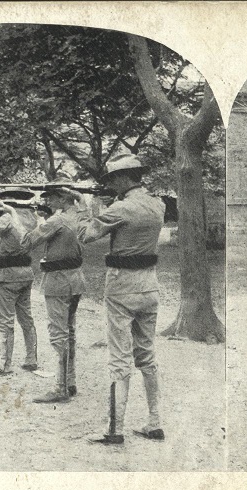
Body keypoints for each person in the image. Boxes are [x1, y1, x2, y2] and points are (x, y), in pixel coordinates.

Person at [81, 153, 166, 445]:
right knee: (147, 355)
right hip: (150, 284)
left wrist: (89, 207)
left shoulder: (120, 208)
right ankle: (155, 422)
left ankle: (114, 429)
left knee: (119, 359)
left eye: (114, 179)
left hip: (121, 286)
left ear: (124, 178)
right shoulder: (157, 204)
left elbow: (86, 235)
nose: (111, 184)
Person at [27, 186, 88, 403]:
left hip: (58, 280)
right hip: (75, 279)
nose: (49, 202)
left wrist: (34, 219)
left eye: (52, 197)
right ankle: (69, 381)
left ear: (63, 198)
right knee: (69, 332)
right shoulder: (81, 216)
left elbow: (28, 242)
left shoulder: (56, 221)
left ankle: (60, 388)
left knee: (58, 334)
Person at [0, 197, 37, 375]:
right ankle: (31, 358)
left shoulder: (7, 218)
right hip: (26, 272)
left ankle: (4, 364)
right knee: (26, 318)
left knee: (6, 321)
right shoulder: (30, 216)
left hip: (8, 275)